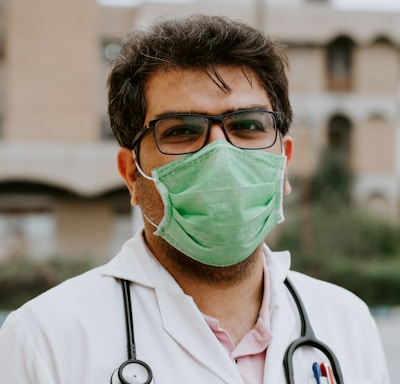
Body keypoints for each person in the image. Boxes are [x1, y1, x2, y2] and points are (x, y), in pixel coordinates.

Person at [0, 14, 390, 384]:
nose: (220, 154)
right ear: (131, 174)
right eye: (181, 131)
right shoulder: (46, 339)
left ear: (283, 162)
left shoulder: (345, 321)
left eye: (248, 125)